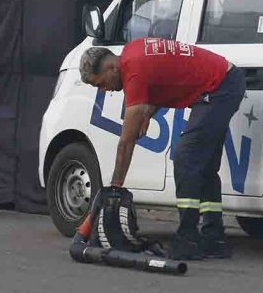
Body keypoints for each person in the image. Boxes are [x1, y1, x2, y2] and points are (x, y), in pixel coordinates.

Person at [79, 37, 246, 260]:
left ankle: (188, 237)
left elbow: (126, 142)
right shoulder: (133, 53)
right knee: (204, 167)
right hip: (225, 82)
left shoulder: (133, 73)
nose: (106, 90)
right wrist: (147, 114)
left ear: (111, 67)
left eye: (101, 84)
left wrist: (115, 188)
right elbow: (165, 74)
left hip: (219, 87)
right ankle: (213, 238)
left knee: (186, 157)